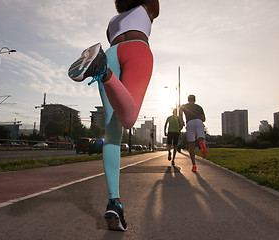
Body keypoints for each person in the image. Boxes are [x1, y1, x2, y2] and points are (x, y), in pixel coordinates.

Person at [68, 0, 159, 231]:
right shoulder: (147, 8)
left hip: (110, 52)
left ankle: (114, 202)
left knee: (112, 134)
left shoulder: (113, 22)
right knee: (127, 120)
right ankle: (103, 72)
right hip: (136, 50)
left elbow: (115, 35)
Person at [179, 95, 207, 172]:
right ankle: (202, 143)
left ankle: (194, 165)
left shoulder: (183, 106)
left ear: (188, 100)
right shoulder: (199, 107)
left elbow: (180, 112)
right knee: (201, 138)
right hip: (199, 121)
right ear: (195, 100)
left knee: (191, 145)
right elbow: (204, 119)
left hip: (190, 122)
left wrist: (182, 121)